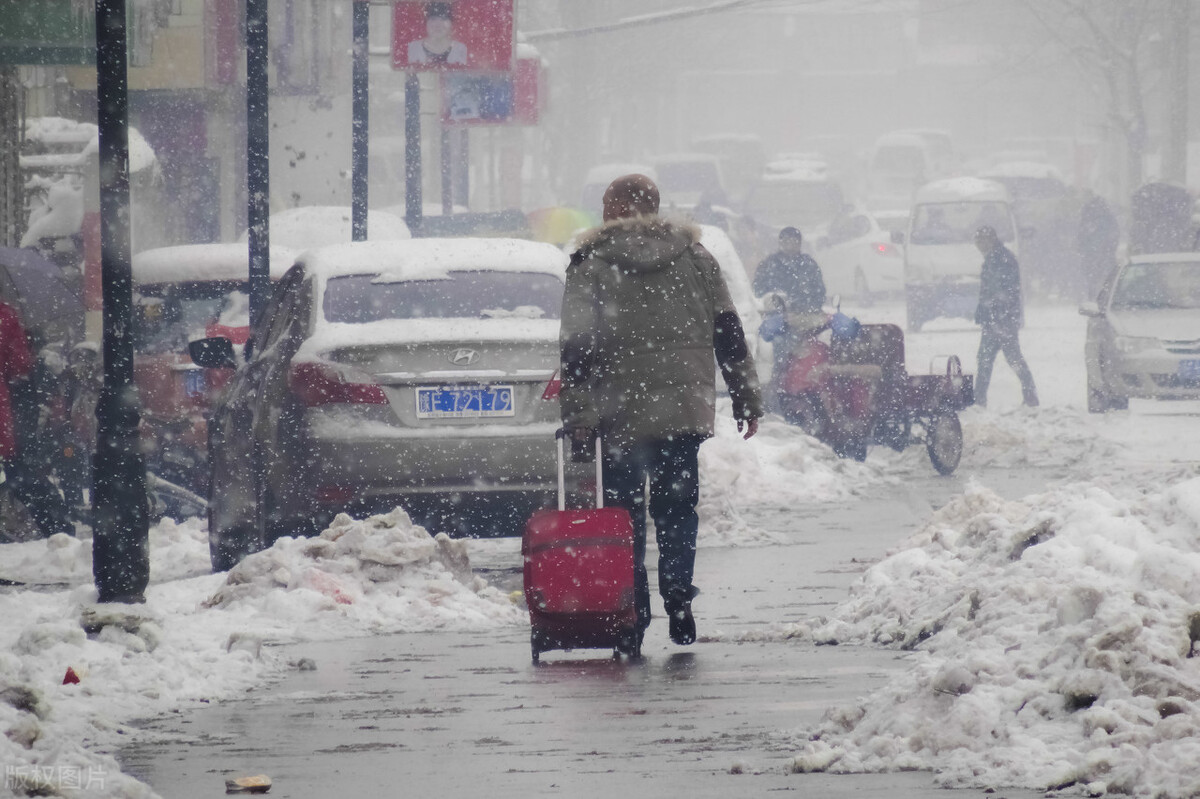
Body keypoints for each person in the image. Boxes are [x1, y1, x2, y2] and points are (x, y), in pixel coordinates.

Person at [559, 173, 763, 647]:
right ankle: (679, 598)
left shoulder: (591, 264)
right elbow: (728, 332)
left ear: (610, 211)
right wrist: (747, 397)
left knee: (623, 514)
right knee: (677, 508)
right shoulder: (695, 257)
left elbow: (576, 349)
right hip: (681, 411)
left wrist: (580, 417)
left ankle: (631, 611)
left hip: (620, 412)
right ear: (656, 206)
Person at [0, 303, 73, 538]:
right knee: (23, 473)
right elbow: (19, 366)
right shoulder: (5, 316)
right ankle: (57, 528)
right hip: (8, 413)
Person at [973, 225, 1039, 409]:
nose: (979, 246)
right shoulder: (995, 258)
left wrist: (994, 308)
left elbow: (1003, 290)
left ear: (990, 240)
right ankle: (980, 400)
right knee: (992, 359)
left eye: (981, 241)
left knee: (1004, 358)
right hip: (996, 318)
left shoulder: (1001, 259)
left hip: (1001, 318)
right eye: (977, 242)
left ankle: (981, 400)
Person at [752, 226, 826, 312]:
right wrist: (774, 299)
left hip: (807, 315)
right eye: (786, 241)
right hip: (776, 315)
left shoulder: (809, 264)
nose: (790, 245)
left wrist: (806, 306)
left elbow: (820, 292)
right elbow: (757, 291)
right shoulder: (768, 265)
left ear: (800, 244)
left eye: (794, 241)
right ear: (780, 243)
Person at [1076, 190, 1119, 300]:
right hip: (1100, 251)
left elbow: (1081, 234)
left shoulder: (1088, 215)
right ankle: (1104, 297)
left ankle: (1095, 296)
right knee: (1105, 276)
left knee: (1094, 277)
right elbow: (1114, 233)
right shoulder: (1105, 215)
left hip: (1095, 252)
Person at [406, 2, 467, 67]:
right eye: (433, 19)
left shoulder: (460, 48)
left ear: (451, 24)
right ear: (426, 23)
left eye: (444, 19)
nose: (438, 25)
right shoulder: (413, 47)